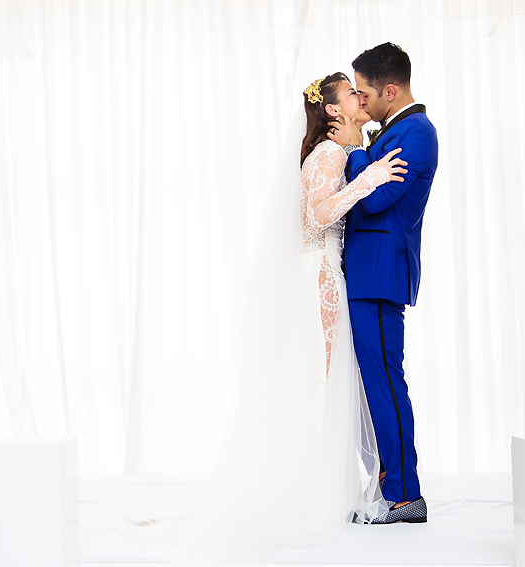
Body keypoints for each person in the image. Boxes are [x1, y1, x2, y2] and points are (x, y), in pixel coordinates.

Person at [165, 73, 408, 565]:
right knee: (328, 378)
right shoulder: (327, 155)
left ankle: (338, 485)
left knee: (337, 379)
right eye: (351, 95)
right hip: (321, 274)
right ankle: (321, 491)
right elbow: (317, 217)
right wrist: (366, 182)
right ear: (335, 111)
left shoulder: (337, 152)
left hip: (332, 271)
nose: (361, 99)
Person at [328, 42, 438, 524]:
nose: (362, 102)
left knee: (386, 385)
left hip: (379, 274)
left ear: (389, 91)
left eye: (366, 93)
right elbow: (369, 183)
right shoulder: (394, 129)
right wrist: (366, 162)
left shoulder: (417, 133)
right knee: (374, 385)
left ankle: (405, 495)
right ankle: (389, 485)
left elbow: (372, 200)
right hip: (367, 272)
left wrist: (355, 154)